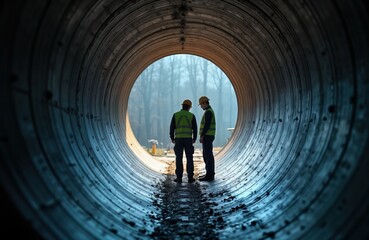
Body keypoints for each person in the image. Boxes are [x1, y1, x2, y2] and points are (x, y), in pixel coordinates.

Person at [170, 99, 198, 183]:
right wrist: (194, 138)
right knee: (189, 158)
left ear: (182, 106)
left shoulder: (176, 115)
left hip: (178, 139)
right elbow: (195, 128)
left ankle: (179, 178)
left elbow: (171, 128)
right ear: (189, 107)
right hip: (188, 139)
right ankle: (190, 177)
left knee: (179, 158)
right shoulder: (191, 116)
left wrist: (172, 138)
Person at [198, 96, 216, 181]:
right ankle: (209, 174)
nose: (201, 106)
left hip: (207, 136)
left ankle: (209, 175)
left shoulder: (208, 112)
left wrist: (202, 135)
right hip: (208, 136)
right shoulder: (208, 111)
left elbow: (207, 125)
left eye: (201, 105)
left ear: (205, 103)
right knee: (207, 155)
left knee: (208, 156)